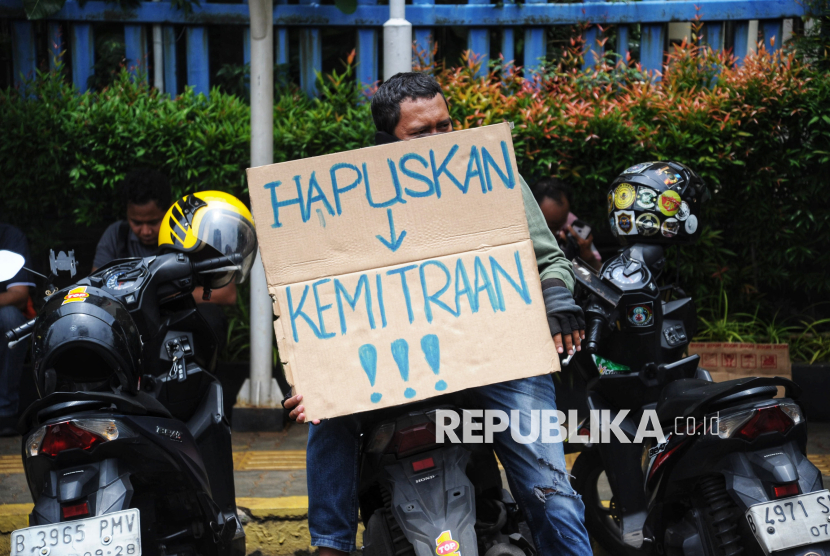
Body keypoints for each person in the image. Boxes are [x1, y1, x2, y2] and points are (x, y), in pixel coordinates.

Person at [284, 72, 591, 556]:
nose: (438, 140)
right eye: (421, 133)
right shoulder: (350, 201)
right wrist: (311, 375)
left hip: (497, 355)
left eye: (445, 126)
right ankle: (331, 546)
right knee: (328, 415)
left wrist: (556, 299)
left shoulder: (491, 176)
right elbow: (321, 295)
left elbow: (548, 258)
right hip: (395, 360)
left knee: (553, 497)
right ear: (386, 142)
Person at [92, 168, 237, 306]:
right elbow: (95, 291)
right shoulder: (116, 235)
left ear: (170, 209)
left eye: (154, 222)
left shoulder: (194, 235)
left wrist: (165, 298)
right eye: (136, 223)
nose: (146, 231)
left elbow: (226, 293)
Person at [0, 220, 35, 436]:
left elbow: (20, 296)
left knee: (12, 318)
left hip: (3, 314)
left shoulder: (9, 237)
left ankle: (5, 412)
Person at [532, 177, 602, 271]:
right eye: (551, 226)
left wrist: (589, 258)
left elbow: (599, 271)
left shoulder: (573, 225)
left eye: (561, 224)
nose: (560, 233)